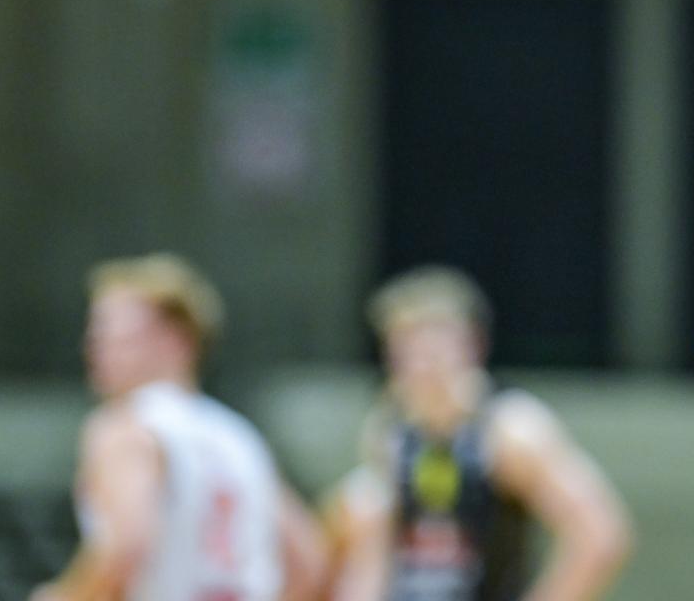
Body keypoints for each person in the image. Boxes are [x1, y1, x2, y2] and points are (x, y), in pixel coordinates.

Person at [33, 253, 324, 601]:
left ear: (175, 341)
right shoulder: (239, 435)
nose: (94, 347)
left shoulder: (127, 427)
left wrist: (67, 595)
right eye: (94, 334)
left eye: (113, 333)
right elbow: (309, 558)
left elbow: (127, 545)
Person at [328, 267, 631, 601]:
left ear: (472, 345)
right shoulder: (389, 428)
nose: (423, 366)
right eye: (408, 350)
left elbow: (600, 535)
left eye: (435, 349)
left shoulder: (510, 428)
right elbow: (373, 554)